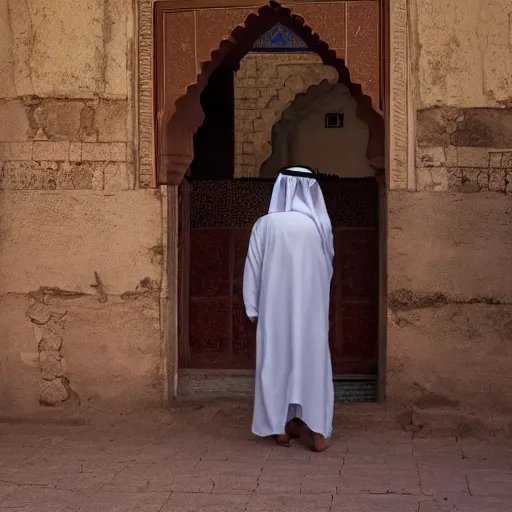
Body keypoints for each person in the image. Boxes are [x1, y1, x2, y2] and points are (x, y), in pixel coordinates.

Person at [243, 166, 335, 452]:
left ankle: (281, 428)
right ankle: (317, 432)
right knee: (311, 365)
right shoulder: (320, 227)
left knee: (277, 365)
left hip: (275, 312)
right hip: (311, 313)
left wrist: (252, 307)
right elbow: (327, 271)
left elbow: (252, 270)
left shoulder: (265, 224)